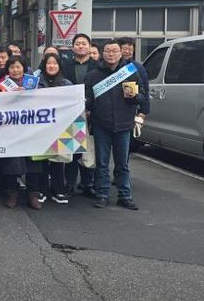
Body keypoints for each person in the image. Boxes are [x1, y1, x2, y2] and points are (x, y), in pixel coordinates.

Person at [85, 39, 146, 210]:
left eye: (114, 51)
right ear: (102, 53)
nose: (111, 54)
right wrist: (85, 102)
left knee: (122, 164)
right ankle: (102, 194)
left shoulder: (131, 72)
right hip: (101, 124)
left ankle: (125, 195)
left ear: (121, 53)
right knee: (102, 163)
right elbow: (88, 98)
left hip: (124, 124)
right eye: (107, 51)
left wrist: (135, 97)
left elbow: (143, 95)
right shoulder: (93, 75)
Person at [62, 33, 99, 199]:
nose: (81, 46)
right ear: (73, 47)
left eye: (84, 43)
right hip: (71, 114)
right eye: (78, 43)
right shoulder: (65, 66)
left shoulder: (98, 66)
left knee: (89, 149)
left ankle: (88, 184)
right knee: (72, 149)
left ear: (90, 47)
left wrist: (90, 107)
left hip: (92, 114)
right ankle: (70, 184)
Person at [0, 56, 34, 209]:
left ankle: (33, 193)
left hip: (32, 128)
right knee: (11, 160)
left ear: (24, 68)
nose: (15, 70)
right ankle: (12, 192)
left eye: (18, 67)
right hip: (10, 128)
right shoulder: (1, 85)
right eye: (12, 67)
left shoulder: (33, 83)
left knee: (33, 160)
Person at [38, 53, 73, 205]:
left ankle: (58, 190)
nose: (51, 66)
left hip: (59, 127)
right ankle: (42, 189)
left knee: (58, 160)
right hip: (39, 128)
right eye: (48, 63)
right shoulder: (36, 83)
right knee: (41, 160)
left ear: (59, 66)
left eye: (55, 63)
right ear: (44, 65)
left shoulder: (67, 84)